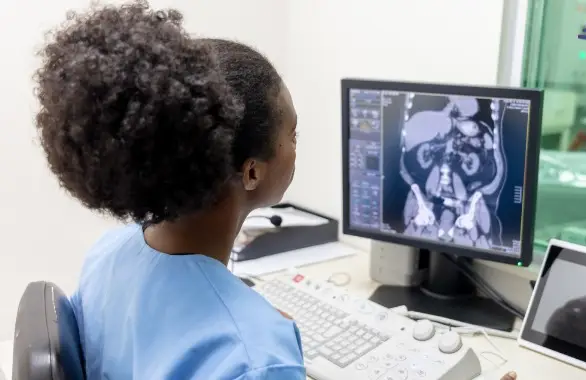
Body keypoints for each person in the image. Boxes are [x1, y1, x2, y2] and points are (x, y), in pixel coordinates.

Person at [34, 1, 520, 379]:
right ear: (251, 172)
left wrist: (245, 319)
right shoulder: (252, 357)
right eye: (293, 134)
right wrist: (250, 335)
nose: (295, 148)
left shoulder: (108, 253)